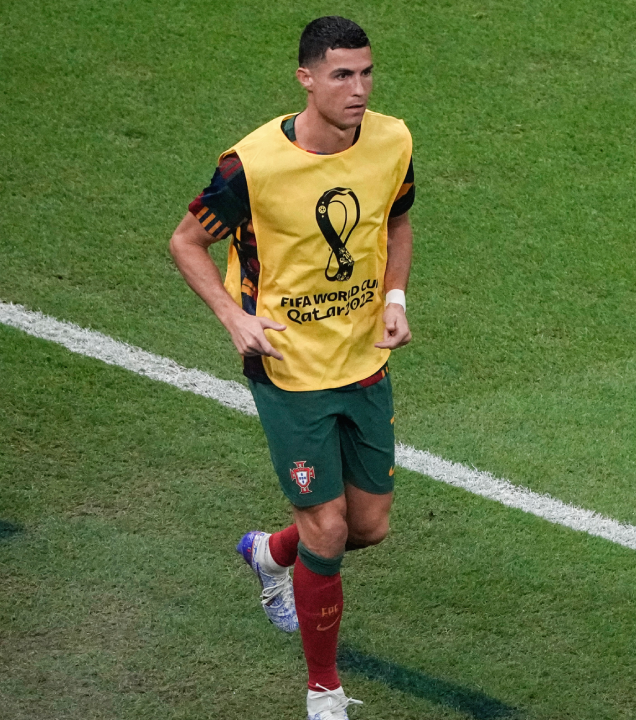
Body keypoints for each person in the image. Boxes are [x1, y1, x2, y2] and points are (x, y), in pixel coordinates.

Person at [168, 16, 414, 720]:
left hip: (364, 359)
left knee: (368, 527)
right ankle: (324, 692)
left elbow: (397, 218)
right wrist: (233, 316)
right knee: (328, 530)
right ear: (305, 78)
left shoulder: (392, 141)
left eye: (366, 73)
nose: (358, 89)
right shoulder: (251, 167)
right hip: (288, 370)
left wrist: (394, 296)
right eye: (342, 75)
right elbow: (186, 242)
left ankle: (269, 555)